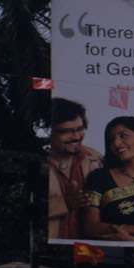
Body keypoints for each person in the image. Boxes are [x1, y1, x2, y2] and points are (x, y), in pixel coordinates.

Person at [42, 98, 100, 242]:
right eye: (66, 131)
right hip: (47, 250)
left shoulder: (96, 159)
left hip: (87, 251)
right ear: (48, 132)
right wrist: (63, 204)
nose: (76, 137)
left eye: (80, 129)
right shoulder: (34, 161)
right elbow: (17, 210)